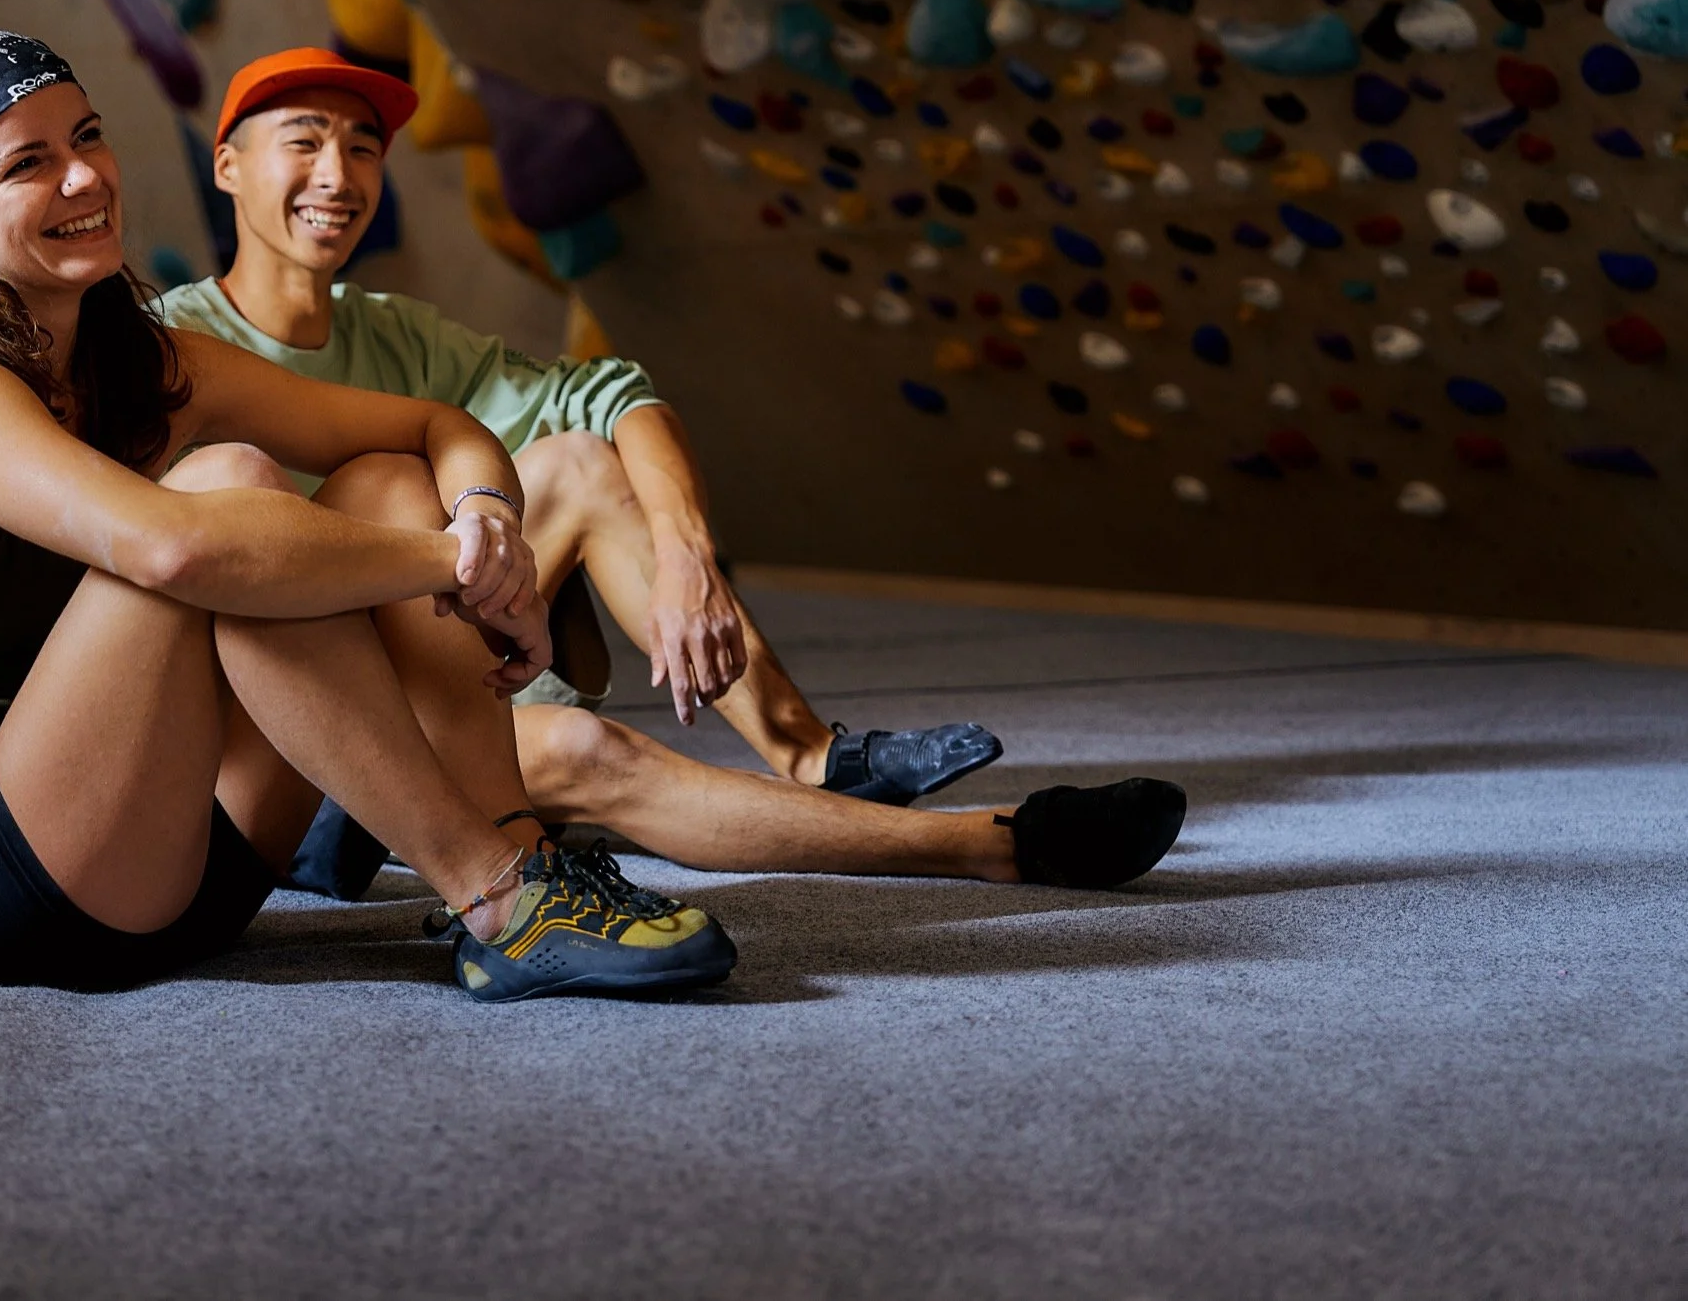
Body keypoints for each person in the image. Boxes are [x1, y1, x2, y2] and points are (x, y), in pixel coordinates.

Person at [0, 26, 738, 1001]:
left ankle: (522, 853)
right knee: (224, 497)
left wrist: (487, 523)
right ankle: (496, 893)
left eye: (87, 137)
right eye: (28, 162)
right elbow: (170, 548)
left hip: (174, 856)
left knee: (381, 474)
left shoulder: (137, 352)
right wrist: (452, 566)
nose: (84, 178)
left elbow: (439, 425)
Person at [158, 48, 1188, 897]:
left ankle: (806, 751)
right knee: (576, 748)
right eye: (304, 141)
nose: (338, 174)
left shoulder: (396, 336)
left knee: (576, 458)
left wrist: (690, 556)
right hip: (288, 721)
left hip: (424, 663)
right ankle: (997, 843)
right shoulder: (169, 346)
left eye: (362, 146)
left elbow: (610, 391)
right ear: (228, 167)